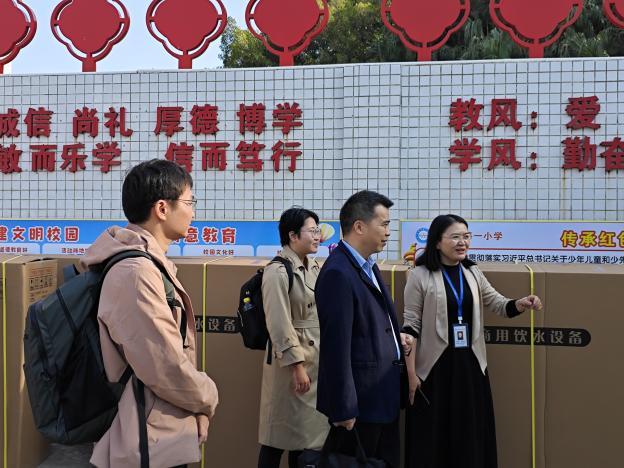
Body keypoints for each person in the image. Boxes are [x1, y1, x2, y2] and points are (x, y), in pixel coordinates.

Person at [83, 159, 219, 468]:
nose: (193, 212)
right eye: (189, 202)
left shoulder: (147, 265)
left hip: (158, 428)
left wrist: (195, 407)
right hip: (145, 438)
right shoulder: (136, 272)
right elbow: (164, 364)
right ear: (162, 208)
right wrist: (207, 398)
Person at [402, 214, 543, 468]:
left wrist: (520, 304)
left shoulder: (472, 272)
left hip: (470, 366)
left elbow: (498, 303)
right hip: (434, 370)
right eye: (455, 237)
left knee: (470, 434)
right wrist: (411, 374)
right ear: (437, 242)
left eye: (466, 236)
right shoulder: (420, 275)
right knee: (434, 438)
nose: (463, 242)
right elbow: (410, 326)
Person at [315, 190, 403, 468]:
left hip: (382, 396)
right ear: (359, 227)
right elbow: (336, 346)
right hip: (360, 406)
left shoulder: (367, 266)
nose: (388, 232)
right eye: (384, 224)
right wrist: (343, 407)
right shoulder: (338, 273)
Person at [257, 207, 329, 468]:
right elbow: (279, 323)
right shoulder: (277, 271)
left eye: (318, 230)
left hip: (315, 360)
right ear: (293, 235)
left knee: (305, 437)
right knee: (277, 436)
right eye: (312, 230)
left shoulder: (314, 266)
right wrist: (297, 366)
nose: (318, 236)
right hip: (290, 363)